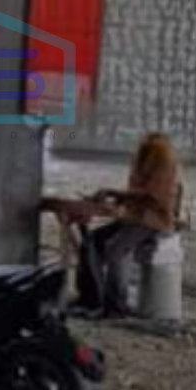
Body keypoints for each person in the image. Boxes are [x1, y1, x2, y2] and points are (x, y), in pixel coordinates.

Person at [73, 132, 184, 318]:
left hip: (154, 220)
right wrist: (117, 200)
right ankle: (90, 298)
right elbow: (136, 192)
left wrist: (115, 193)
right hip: (135, 217)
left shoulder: (164, 163)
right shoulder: (142, 159)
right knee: (92, 240)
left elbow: (152, 195)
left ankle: (116, 306)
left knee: (116, 248)